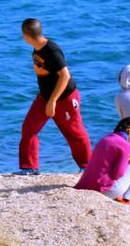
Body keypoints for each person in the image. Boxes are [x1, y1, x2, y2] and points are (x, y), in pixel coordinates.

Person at [17, 18, 92, 175]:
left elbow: (65, 75)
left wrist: (53, 101)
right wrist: (48, 99)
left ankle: (87, 167)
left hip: (64, 98)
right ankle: (29, 167)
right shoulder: (37, 49)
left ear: (26, 35)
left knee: (75, 133)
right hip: (45, 97)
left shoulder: (51, 50)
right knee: (29, 128)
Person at [76, 117, 130, 205]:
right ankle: (128, 198)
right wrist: (127, 162)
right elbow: (117, 174)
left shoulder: (105, 139)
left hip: (85, 186)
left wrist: (127, 159)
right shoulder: (126, 145)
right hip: (104, 190)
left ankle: (125, 196)